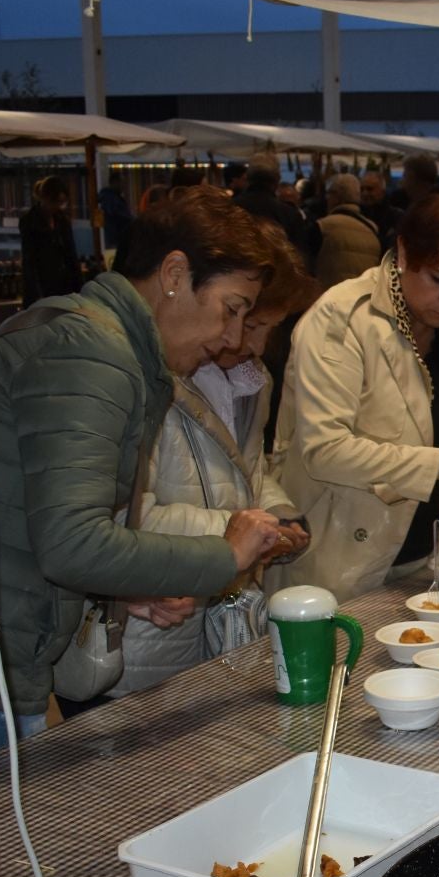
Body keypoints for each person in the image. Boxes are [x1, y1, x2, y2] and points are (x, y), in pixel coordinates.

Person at [0, 191, 296, 743]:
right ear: (174, 273)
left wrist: (126, 585)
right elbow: (70, 541)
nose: (234, 338)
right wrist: (225, 554)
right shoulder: (91, 356)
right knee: (5, 812)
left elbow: (41, 514)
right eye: (231, 309)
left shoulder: (99, 342)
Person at [98, 205, 318, 704]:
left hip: (212, 622)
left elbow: (251, 469)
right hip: (144, 637)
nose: (247, 342)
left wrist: (279, 514)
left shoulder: (249, 382)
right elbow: (122, 515)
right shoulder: (149, 378)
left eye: (266, 327)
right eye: (241, 317)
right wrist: (239, 530)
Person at [271, 188, 439, 602]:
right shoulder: (342, 318)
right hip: (341, 566)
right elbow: (323, 449)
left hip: (426, 558)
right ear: (404, 252)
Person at [234, 159, 317, 265]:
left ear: (247, 178)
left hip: (234, 273)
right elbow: (300, 256)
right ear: (277, 181)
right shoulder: (288, 213)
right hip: (278, 273)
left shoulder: (229, 207)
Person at [19, 174, 83, 307]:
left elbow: (71, 254)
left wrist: (79, 286)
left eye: (62, 202)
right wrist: (35, 292)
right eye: (55, 202)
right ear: (45, 198)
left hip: (64, 283)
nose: (58, 206)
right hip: (43, 282)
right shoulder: (30, 221)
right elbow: (30, 259)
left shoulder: (62, 220)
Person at [313, 173, 381, 289]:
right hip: (362, 296)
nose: (327, 198)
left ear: (337, 196)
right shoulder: (373, 229)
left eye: (329, 194)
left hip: (330, 297)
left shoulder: (323, 226)